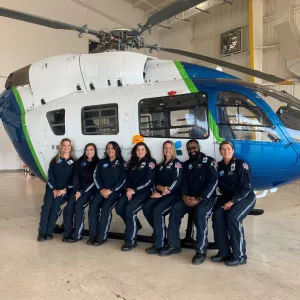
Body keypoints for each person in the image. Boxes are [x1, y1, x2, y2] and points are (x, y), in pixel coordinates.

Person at [159, 139, 218, 265]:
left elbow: (213, 183)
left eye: (194, 147)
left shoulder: (209, 162)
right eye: (189, 149)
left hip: (205, 199)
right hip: (189, 198)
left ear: (199, 147)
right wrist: (184, 196)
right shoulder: (186, 165)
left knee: (200, 214)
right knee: (175, 209)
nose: (192, 150)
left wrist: (199, 199)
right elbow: (183, 183)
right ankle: (173, 245)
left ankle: (201, 251)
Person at [211, 141, 256, 267]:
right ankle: (224, 252)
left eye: (228, 149)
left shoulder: (241, 165)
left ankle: (240, 256)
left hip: (245, 197)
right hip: (227, 197)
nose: (226, 151)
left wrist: (232, 202)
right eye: (223, 149)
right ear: (220, 151)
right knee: (217, 215)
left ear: (232, 150)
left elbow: (246, 188)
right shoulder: (218, 166)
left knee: (233, 217)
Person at [143, 140, 183, 254]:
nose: (167, 150)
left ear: (173, 150)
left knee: (157, 211)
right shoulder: (160, 165)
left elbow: (177, 181)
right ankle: (160, 230)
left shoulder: (177, 164)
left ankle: (159, 244)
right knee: (146, 207)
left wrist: (165, 191)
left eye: (170, 148)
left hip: (173, 196)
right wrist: (160, 190)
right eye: (165, 148)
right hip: (161, 194)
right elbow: (156, 182)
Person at [115, 142, 156, 251]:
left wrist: (135, 190)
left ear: (146, 151)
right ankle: (135, 224)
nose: (140, 152)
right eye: (138, 149)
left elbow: (149, 181)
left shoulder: (150, 163)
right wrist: (128, 190)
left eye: (142, 149)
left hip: (144, 193)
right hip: (131, 192)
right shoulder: (132, 163)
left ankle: (130, 241)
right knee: (119, 207)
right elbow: (127, 179)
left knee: (129, 210)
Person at [87, 142, 126, 246]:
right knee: (93, 207)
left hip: (115, 192)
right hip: (101, 191)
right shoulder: (101, 162)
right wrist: (100, 189)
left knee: (105, 209)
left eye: (112, 148)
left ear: (116, 150)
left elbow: (123, 180)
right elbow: (96, 176)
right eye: (108, 148)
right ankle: (93, 235)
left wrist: (111, 190)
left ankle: (102, 237)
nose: (110, 150)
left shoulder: (122, 163)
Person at [37, 138, 75, 241]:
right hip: (52, 189)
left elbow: (74, 180)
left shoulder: (74, 162)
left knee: (55, 207)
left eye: (68, 145)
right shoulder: (55, 160)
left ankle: (49, 232)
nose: (66, 147)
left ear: (71, 147)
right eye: (64, 145)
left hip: (64, 191)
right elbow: (50, 176)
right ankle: (42, 232)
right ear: (61, 147)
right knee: (46, 207)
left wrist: (64, 190)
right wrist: (53, 189)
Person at [62, 143, 99, 242]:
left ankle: (78, 234)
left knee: (78, 206)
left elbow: (94, 181)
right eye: (87, 150)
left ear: (95, 151)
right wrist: (77, 189)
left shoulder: (97, 163)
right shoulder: (79, 162)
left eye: (91, 150)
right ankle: (67, 232)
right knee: (69, 206)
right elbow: (75, 177)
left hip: (89, 191)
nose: (89, 152)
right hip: (77, 190)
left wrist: (82, 191)